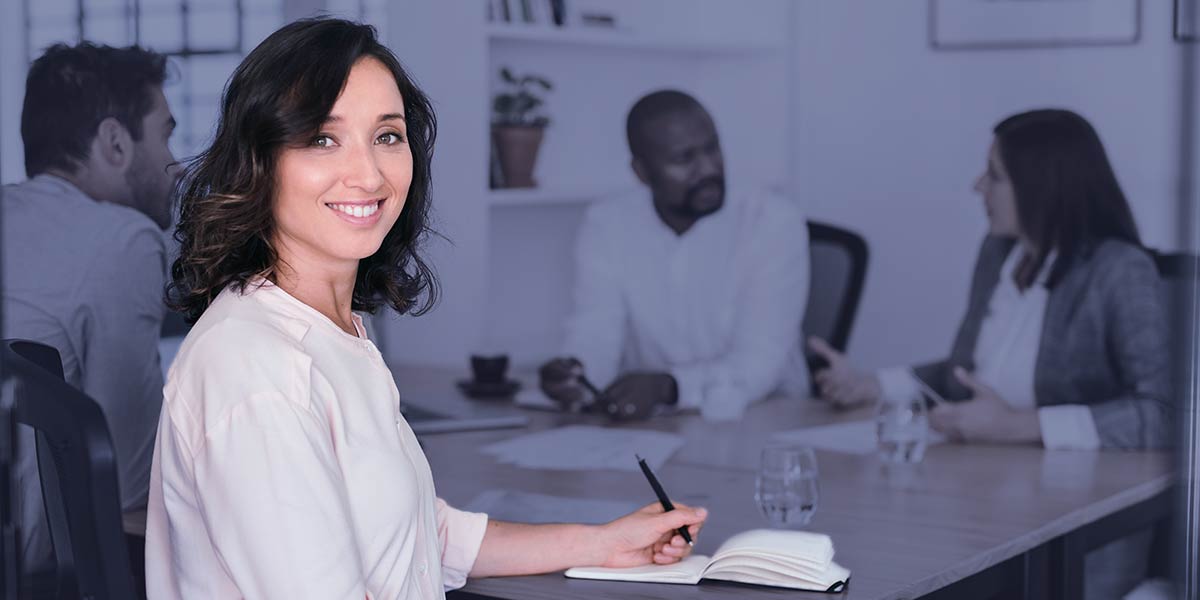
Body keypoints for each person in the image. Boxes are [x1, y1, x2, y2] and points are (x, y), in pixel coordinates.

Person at [146, 18, 706, 599]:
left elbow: (415, 536)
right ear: (258, 162)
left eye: (387, 136)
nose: (368, 174)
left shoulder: (332, 333)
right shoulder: (256, 369)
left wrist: (601, 544)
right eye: (322, 138)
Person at [808, 108, 1170, 600]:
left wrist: (1020, 426)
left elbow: (1167, 412)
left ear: (1042, 184)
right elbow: (967, 372)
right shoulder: (1001, 252)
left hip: (1076, 528)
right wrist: (873, 385)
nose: (979, 186)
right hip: (980, 498)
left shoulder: (1119, 272)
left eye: (995, 175)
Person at [2, 42, 178, 572]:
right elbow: (129, 485)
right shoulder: (122, 240)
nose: (174, 160)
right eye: (165, 134)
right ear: (115, 142)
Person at [539, 90, 810, 422]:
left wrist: (670, 387)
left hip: (765, 419)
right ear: (642, 171)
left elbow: (760, 361)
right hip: (652, 426)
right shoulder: (607, 223)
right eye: (685, 159)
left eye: (713, 148)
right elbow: (596, 330)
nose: (708, 169)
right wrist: (577, 373)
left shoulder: (771, 220)